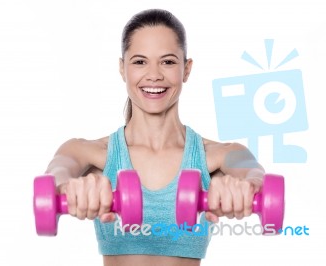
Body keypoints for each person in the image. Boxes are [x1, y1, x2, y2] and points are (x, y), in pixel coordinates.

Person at [45, 9, 264, 266]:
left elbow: (256, 176)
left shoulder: (218, 156)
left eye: (168, 62)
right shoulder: (88, 153)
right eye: (140, 62)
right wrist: (70, 189)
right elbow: (55, 174)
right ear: (122, 68)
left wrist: (242, 189)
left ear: (187, 69)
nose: (154, 75)